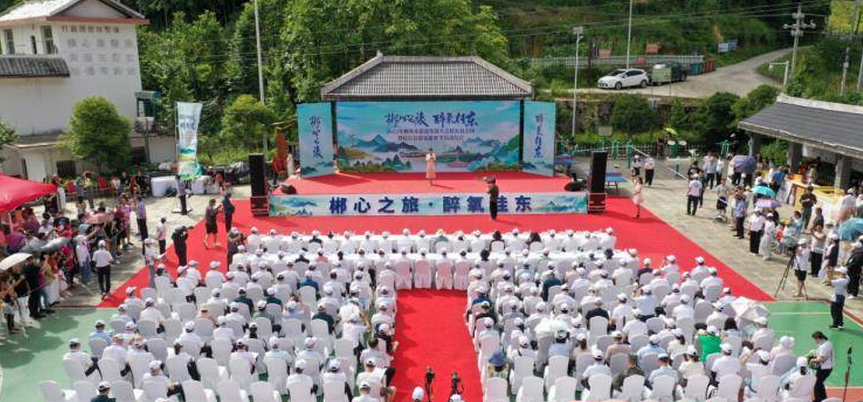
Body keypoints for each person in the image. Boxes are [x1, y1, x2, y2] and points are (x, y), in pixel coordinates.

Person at [811, 331, 833, 402]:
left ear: (818, 338)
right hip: (827, 367)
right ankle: (824, 399)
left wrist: (811, 360)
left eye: (814, 339)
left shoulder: (824, 346)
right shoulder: (827, 342)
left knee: (816, 385)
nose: (814, 341)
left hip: (824, 369)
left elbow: (821, 359)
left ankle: (818, 400)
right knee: (820, 383)